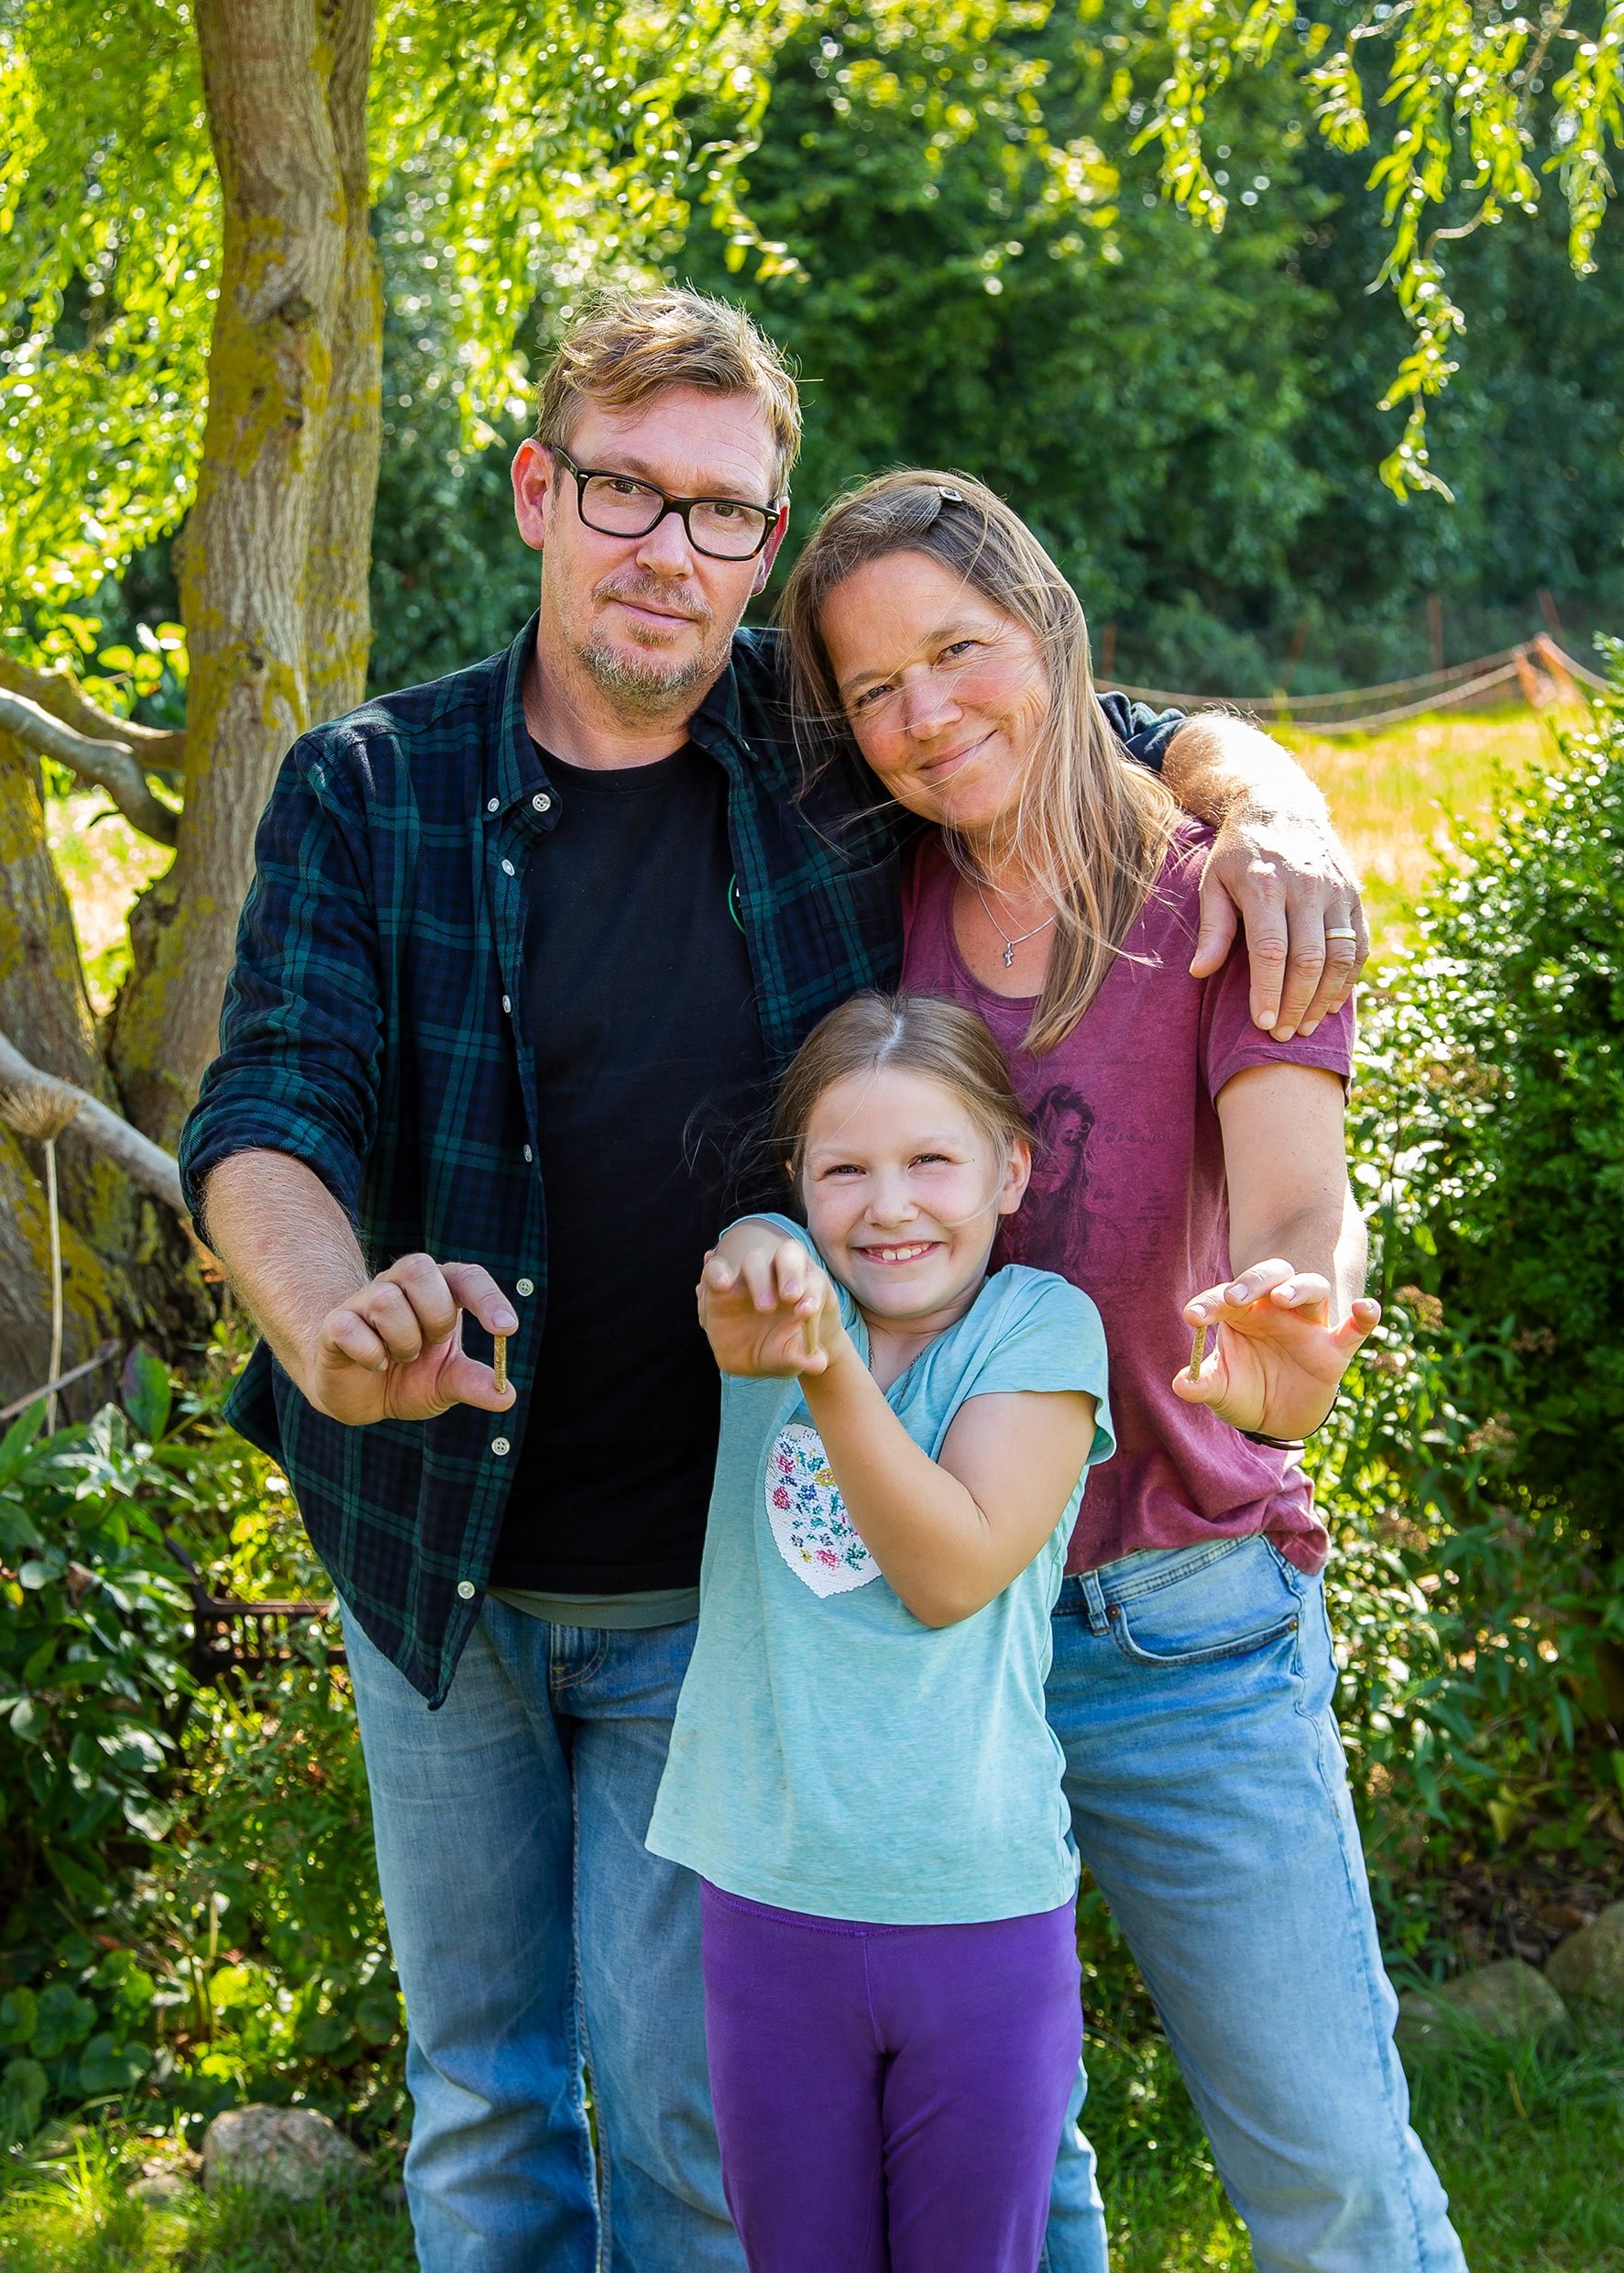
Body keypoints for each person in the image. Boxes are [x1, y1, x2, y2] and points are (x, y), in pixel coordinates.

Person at [177, 288, 1370, 2273]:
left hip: (718, 1584)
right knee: (482, 2105)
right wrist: (318, 1315)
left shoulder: (815, 749)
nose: (672, 547)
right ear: (539, 492)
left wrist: (1267, 791)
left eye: (723, 511)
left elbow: (1065, 711)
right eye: (626, 491)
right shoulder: (368, 787)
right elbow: (271, 1100)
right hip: (433, 1548)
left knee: (694, 2135)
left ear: (765, 539)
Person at [779, 468, 1468, 2273]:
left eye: (959, 651)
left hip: (1182, 1628)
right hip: (944, 1638)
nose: (928, 714)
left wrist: (1292, 1332)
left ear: (1051, 626)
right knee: (1005, 2183)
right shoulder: (874, 901)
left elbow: (1300, 1204)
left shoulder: (1233, 895)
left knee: (1328, 2175)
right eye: (875, 689)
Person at [647, 991, 1111, 2273]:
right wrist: (757, 1256)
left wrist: (826, 1369)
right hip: (772, 1907)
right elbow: (751, 1252)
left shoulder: (1039, 1329)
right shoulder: (786, 1301)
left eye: (932, 1162)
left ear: (1010, 1170)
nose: (890, 1206)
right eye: (843, 1170)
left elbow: (950, 1573)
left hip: (978, 1914)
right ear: (801, 1182)